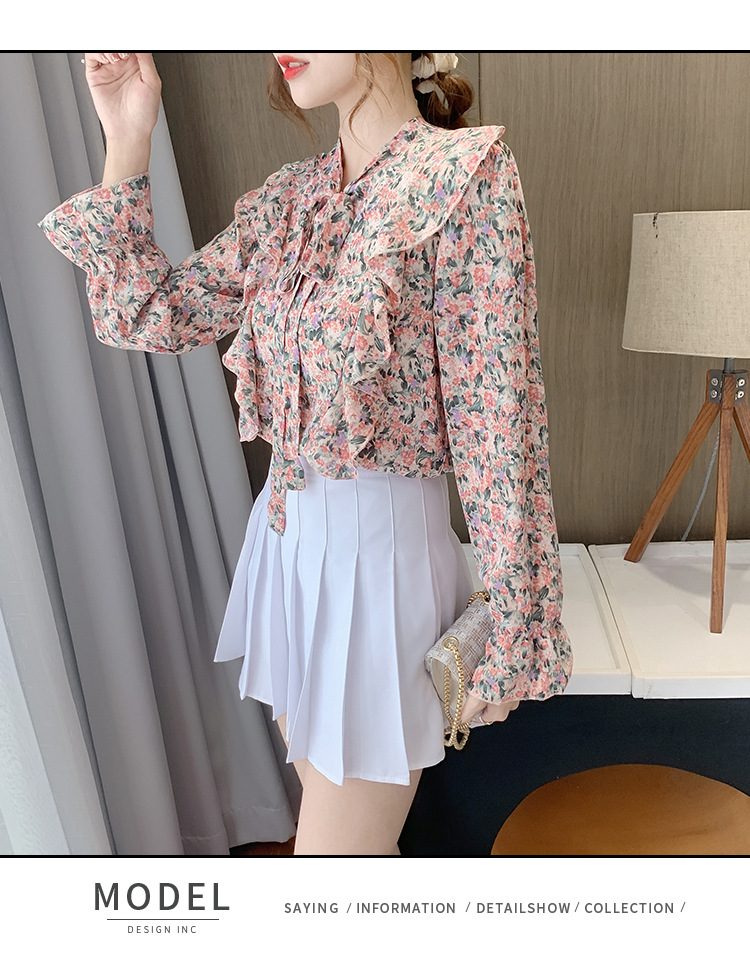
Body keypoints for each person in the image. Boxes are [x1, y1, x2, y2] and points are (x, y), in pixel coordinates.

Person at [38, 52, 573, 855]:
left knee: (330, 864)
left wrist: (517, 615)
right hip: (286, 555)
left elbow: (498, 419)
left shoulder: (464, 176)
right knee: (345, 852)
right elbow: (146, 312)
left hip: (381, 568)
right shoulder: (293, 199)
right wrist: (128, 134)